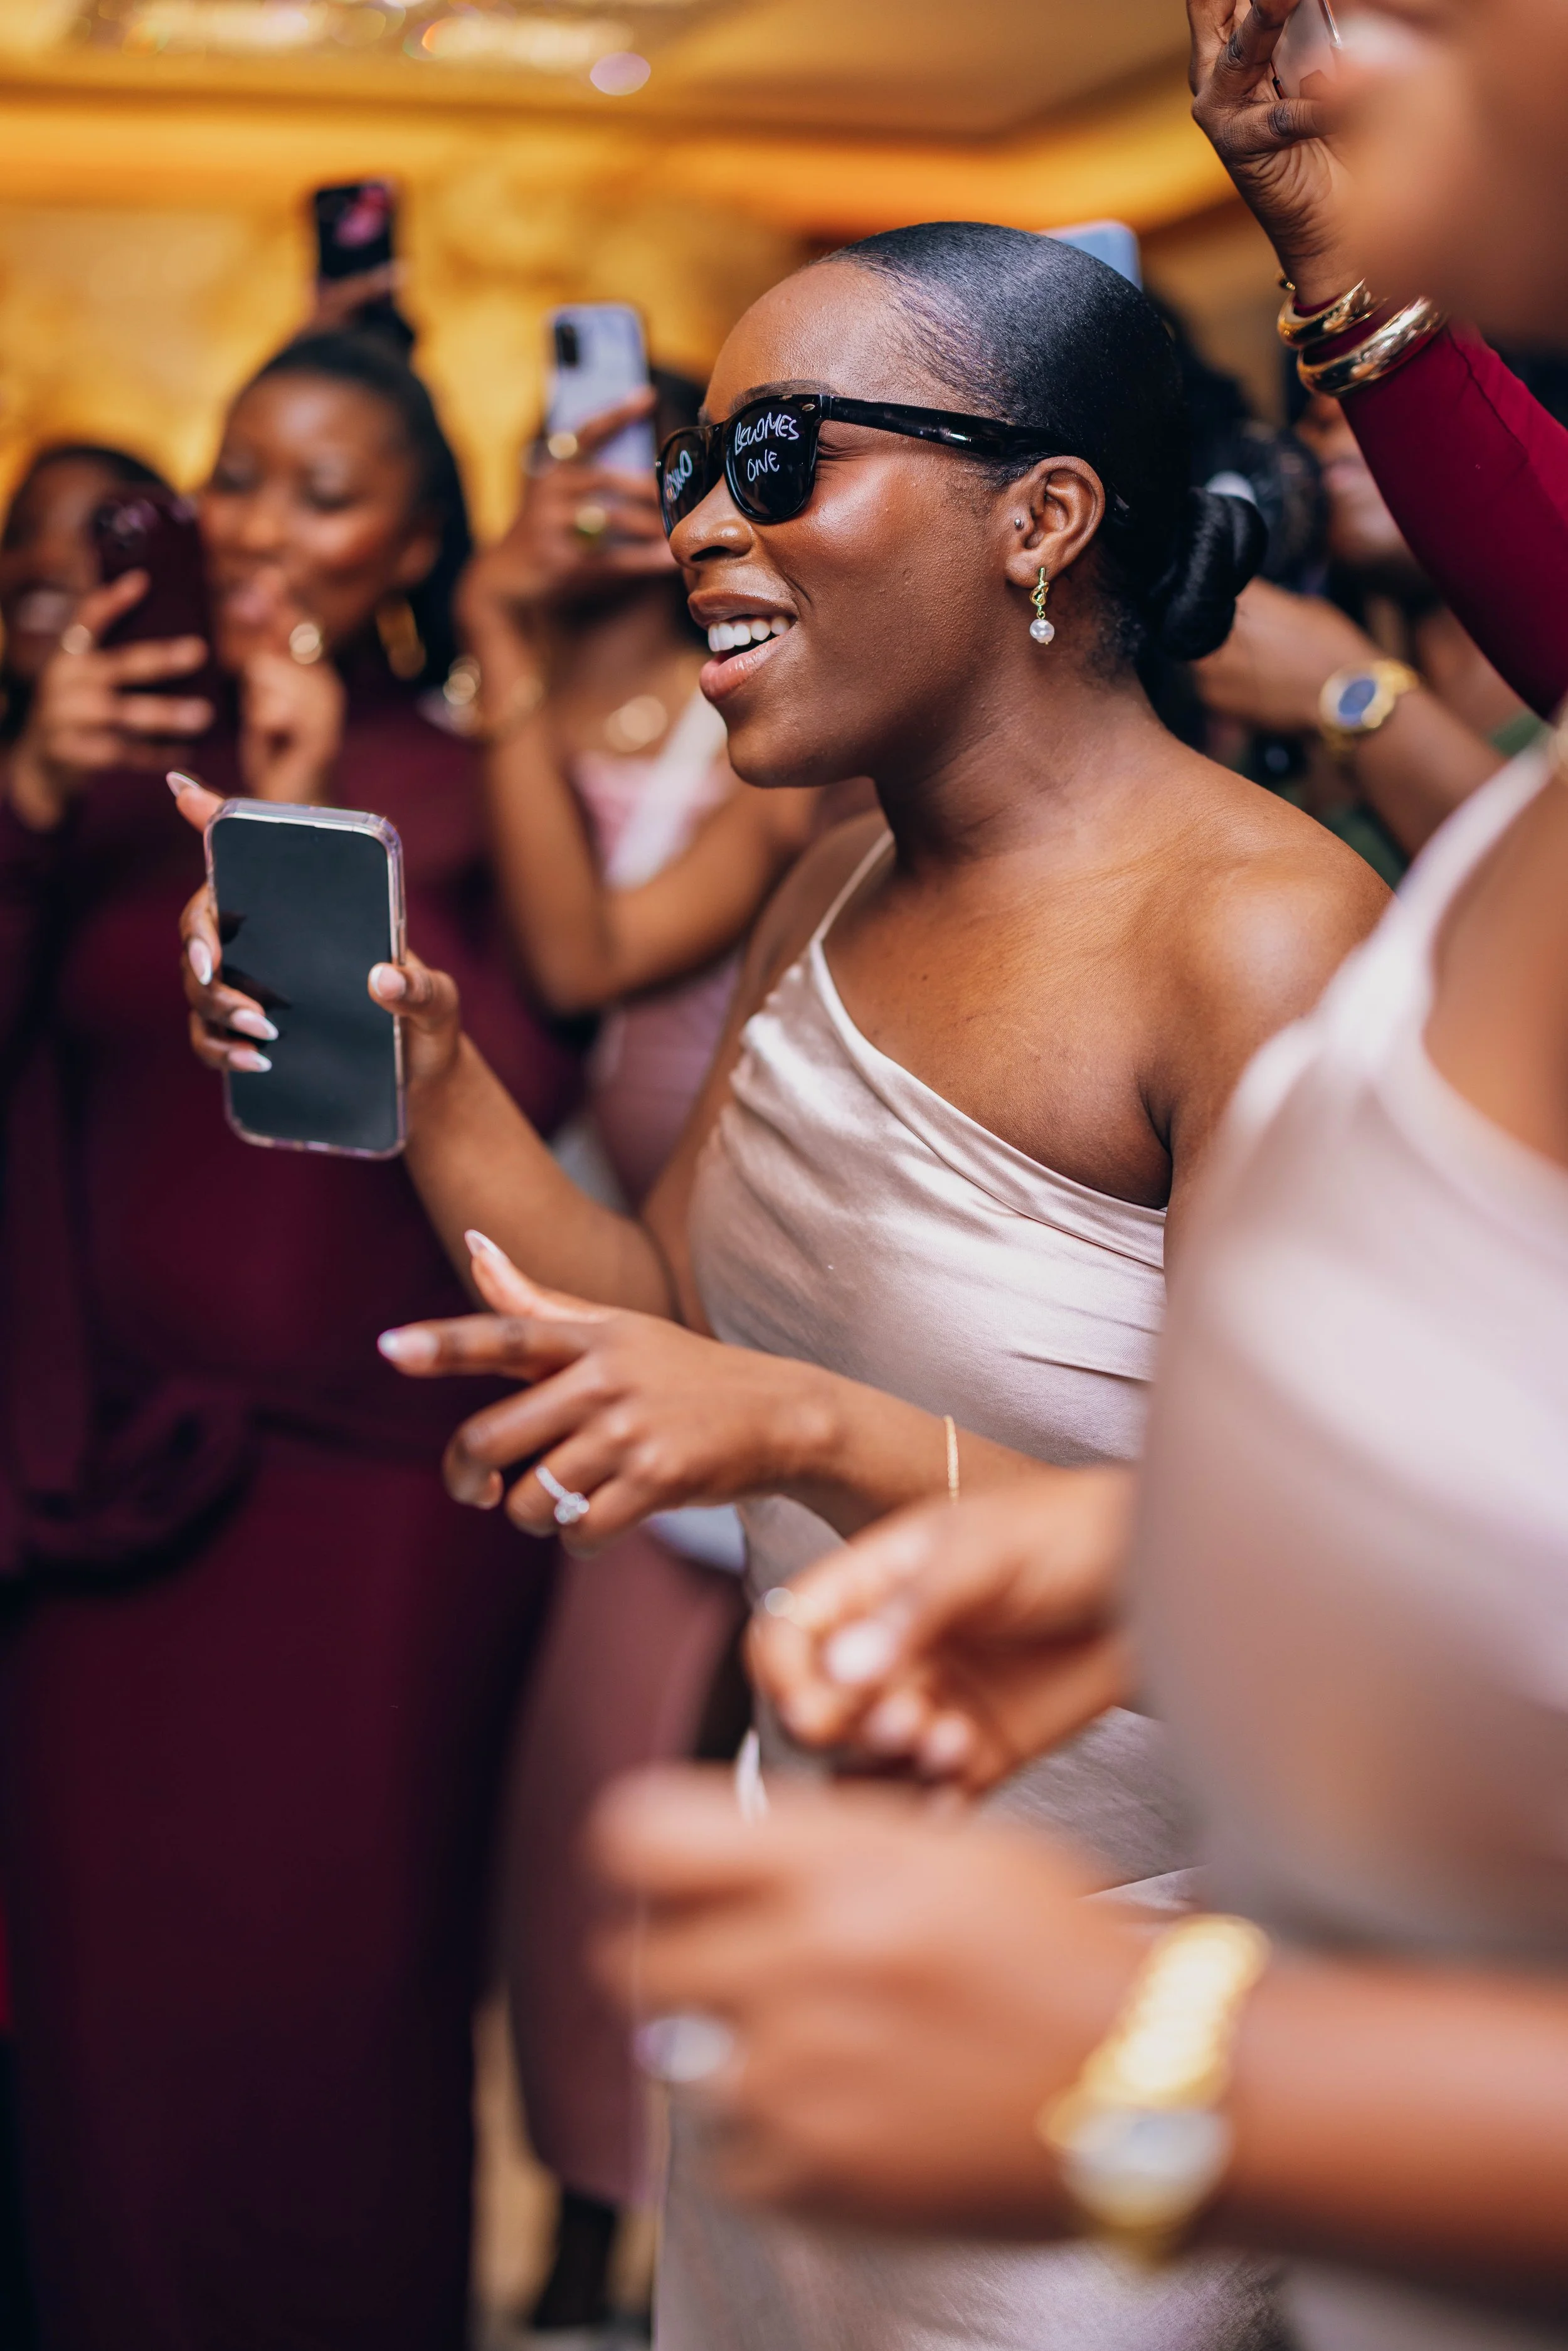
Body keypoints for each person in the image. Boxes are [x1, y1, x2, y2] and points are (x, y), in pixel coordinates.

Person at [181, 218, 1387, 2347]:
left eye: (780, 458)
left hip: (1115, 2006)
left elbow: (1330, 1613)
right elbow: (658, 1293)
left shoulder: (1261, 940)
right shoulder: (827, 872)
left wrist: (811, 1432)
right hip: (814, 1944)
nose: (697, 529)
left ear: (1041, 513)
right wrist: (433, 1073)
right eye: (690, 468)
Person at [582, 8, 1568, 2347]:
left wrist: (1153, 2082)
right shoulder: (1510, 878)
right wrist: (1132, 1546)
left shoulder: (1267, 921)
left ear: (1044, 522)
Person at [0, 329, 578, 2350]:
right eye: (237, 474)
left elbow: (486, 1105)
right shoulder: (98, 752)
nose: (256, 523)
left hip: (369, 1499)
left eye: (321, 492)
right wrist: (29, 787)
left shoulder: (465, 776)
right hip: (108, 1481)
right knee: (108, 2026)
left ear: (415, 536)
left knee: (340, 2007)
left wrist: (313, 807)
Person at [459, 376, 824, 2338]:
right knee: (586, 1801)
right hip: (623, 1222)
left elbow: (591, 958)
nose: (665, 515)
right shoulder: (554, 680)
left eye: (696, 473)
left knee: (704, 1790)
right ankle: (605, 2202)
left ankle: (651, 2200)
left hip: (739, 1271)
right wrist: (429, 1060)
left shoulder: (807, 777)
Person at [1195, 388, 1529, 876]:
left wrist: (1349, 690)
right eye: (1312, 408)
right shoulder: (1280, 734)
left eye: (1379, 379)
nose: (1329, 413)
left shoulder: (1323, 684)